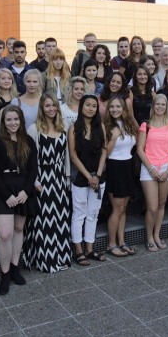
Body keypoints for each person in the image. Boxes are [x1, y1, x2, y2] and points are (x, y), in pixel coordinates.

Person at [0, 106, 37, 295]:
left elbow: (33, 169)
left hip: (23, 190)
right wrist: (7, 195)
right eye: (9, 120)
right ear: (3, 122)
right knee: (5, 234)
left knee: (18, 230)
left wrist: (26, 191)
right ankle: (5, 274)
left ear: (21, 120)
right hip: (3, 192)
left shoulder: (28, 141)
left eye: (16, 119)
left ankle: (15, 268)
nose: (13, 123)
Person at [27, 95, 72, 273]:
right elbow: (30, 159)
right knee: (44, 221)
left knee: (60, 217)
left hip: (59, 178)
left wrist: (67, 178)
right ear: (42, 108)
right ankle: (45, 260)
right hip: (42, 178)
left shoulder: (64, 126)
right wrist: (35, 181)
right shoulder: (34, 128)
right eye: (47, 106)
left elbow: (67, 155)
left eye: (54, 105)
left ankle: (61, 257)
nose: (51, 108)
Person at [69, 95, 107, 265]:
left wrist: (97, 175)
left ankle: (90, 249)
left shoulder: (101, 127)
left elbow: (104, 151)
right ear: (81, 107)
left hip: (98, 178)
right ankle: (78, 251)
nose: (91, 108)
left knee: (93, 213)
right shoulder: (73, 128)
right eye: (87, 105)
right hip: (81, 177)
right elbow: (73, 156)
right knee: (79, 214)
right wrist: (89, 176)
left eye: (93, 105)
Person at [137, 94, 168, 252]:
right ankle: (149, 237)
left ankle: (156, 235)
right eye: (157, 104)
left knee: (161, 204)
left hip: (166, 168)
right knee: (152, 207)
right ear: (153, 106)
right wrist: (151, 169)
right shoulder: (145, 125)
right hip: (149, 168)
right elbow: (140, 149)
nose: (160, 107)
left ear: (166, 107)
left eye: (163, 104)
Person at [104, 96, 138, 256]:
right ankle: (111, 244)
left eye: (118, 106)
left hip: (128, 166)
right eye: (112, 107)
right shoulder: (107, 127)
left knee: (124, 208)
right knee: (117, 209)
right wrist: (114, 136)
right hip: (114, 168)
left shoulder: (128, 124)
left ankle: (121, 241)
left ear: (124, 109)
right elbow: (105, 152)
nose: (115, 109)